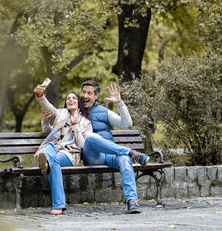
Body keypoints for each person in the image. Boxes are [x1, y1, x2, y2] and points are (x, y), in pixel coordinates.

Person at [78, 80, 148, 213]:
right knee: (91, 137)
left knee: (123, 159)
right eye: (83, 92)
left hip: (110, 153)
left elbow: (126, 123)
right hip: (92, 156)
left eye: (89, 93)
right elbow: (57, 126)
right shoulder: (75, 111)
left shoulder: (104, 112)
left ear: (96, 95)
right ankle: (130, 152)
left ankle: (132, 200)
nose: (85, 96)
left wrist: (119, 104)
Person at [33, 83, 91, 215]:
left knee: (54, 160)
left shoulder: (86, 122)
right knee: (48, 147)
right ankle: (45, 161)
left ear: (78, 103)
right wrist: (39, 95)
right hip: (55, 148)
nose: (70, 100)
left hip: (70, 153)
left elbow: (82, 145)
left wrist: (75, 124)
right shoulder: (60, 114)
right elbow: (47, 107)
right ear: (66, 103)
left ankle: (45, 164)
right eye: (68, 98)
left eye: (74, 98)